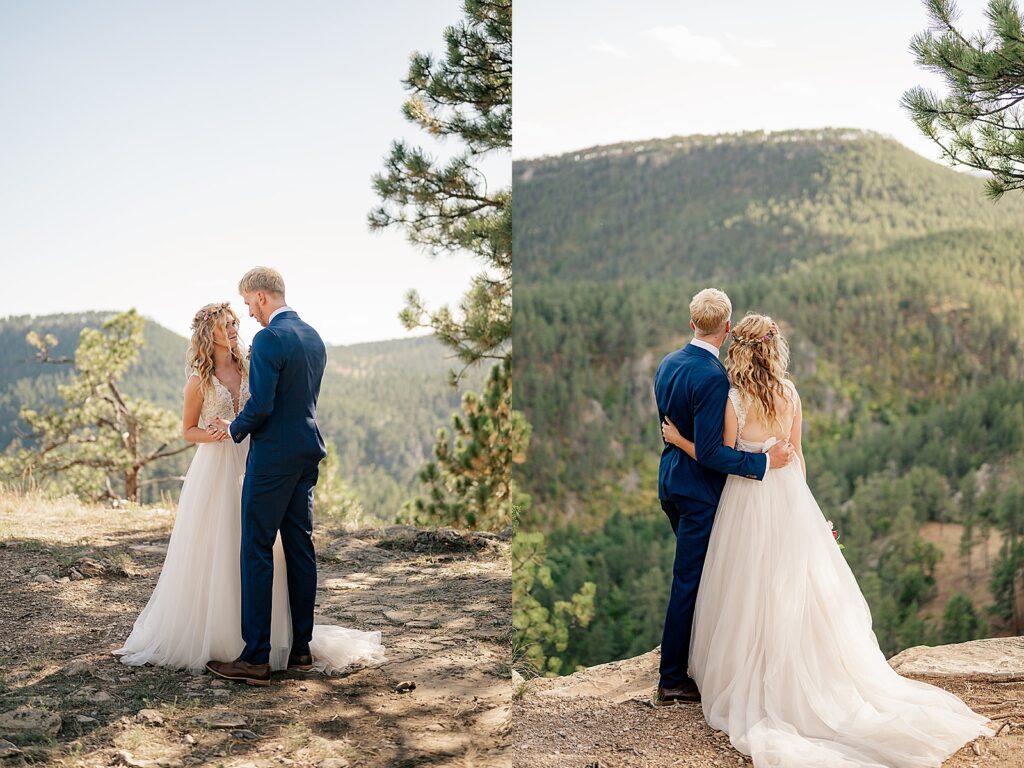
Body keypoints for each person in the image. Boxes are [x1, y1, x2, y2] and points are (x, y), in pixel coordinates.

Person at [661, 309, 992, 766]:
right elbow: (798, 459)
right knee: (792, 583)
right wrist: (800, 507)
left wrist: (679, 441)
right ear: (775, 349)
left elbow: (720, 457)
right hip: (789, 495)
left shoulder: (733, 398)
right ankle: (800, 668)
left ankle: (739, 668)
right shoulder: (791, 395)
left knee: (744, 582)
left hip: (746, 500)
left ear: (739, 351)